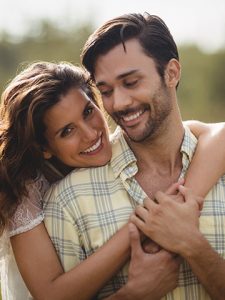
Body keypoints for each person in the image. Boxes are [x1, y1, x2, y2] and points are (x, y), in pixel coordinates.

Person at [0, 63, 224, 300]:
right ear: (43, 148)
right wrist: (136, 288)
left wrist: (177, 207)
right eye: (67, 131)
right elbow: (52, 295)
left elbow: (218, 133)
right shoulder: (22, 190)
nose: (90, 134)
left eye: (88, 111)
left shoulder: (135, 145)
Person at [42, 12, 225, 300]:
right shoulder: (69, 201)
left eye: (131, 82)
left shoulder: (219, 161)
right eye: (106, 91)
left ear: (172, 73)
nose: (119, 103)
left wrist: (193, 246)